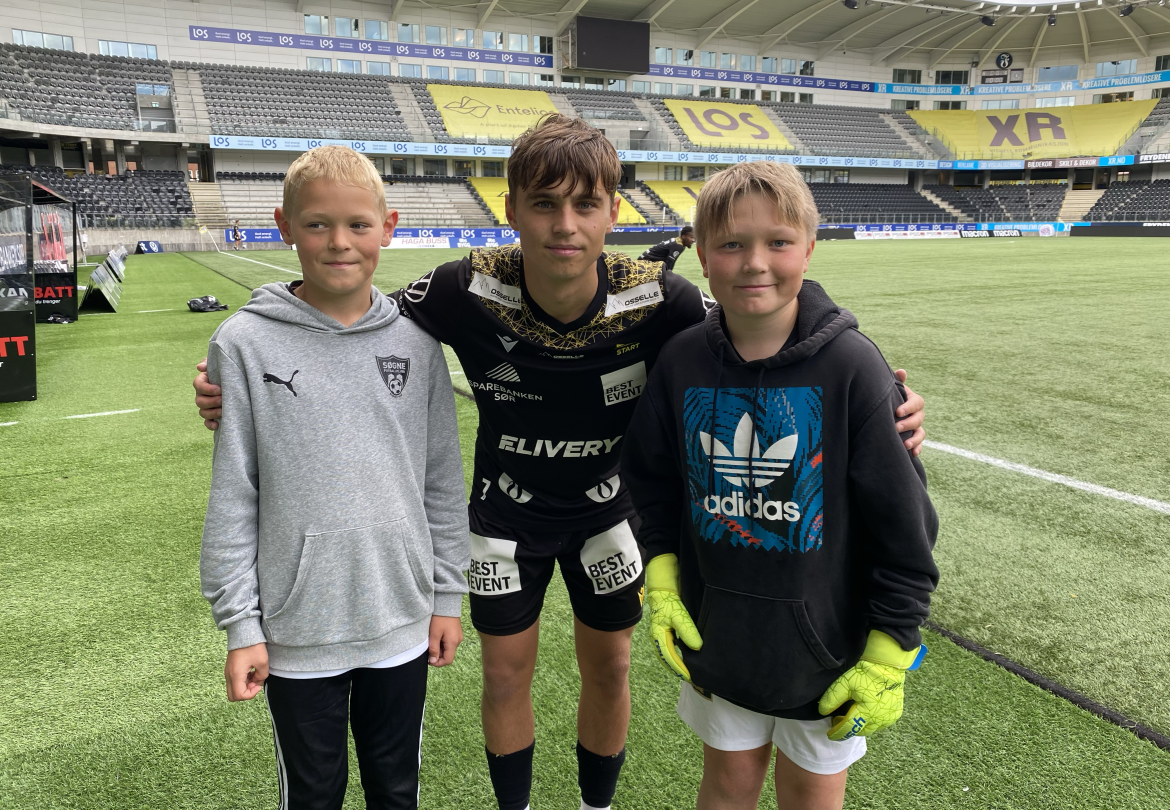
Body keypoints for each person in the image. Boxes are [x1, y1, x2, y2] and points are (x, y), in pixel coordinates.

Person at [193, 115, 928, 810]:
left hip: (610, 515)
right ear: (511, 208)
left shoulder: (661, 298)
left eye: (585, 204)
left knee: (608, 669)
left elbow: (759, 333)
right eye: (544, 204)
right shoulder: (463, 286)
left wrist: (878, 400)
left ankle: (592, 804)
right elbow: (353, 319)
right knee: (505, 671)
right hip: (504, 513)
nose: (565, 225)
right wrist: (243, 379)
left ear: (614, 211)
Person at [621, 161, 939, 810]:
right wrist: (661, 577)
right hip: (721, 643)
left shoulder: (854, 367)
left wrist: (888, 649)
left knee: (812, 798)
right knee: (726, 787)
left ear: (810, 248)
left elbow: (904, 525)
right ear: (703, 257)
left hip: (827, 658)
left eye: (778, 242)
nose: (754, 263)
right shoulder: (681, 361)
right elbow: (649, 483)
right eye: (732, 244)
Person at [199, 145, 469, 810]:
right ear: (283, 226)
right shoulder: (242, 344)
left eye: (358, 224)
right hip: (296, 630)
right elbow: (235, 490)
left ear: (390, 225)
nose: (339, 242)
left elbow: (441, 481)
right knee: (313, 795)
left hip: (401, 618)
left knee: (395, 790)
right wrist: (242, 625)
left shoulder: (417, 344)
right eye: (317, 224)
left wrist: (447, 597)